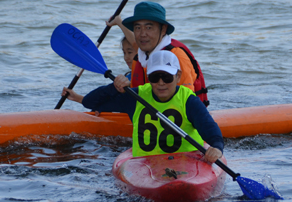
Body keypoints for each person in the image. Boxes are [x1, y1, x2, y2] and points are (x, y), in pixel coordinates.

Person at [62, 50, 222, 163]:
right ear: (148, 78)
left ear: (178, 76)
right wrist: (113, 87)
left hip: (185, 161)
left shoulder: (188, 100)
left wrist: (216, 148)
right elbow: (90, 102)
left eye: (166, 77)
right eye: (155, 77)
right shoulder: (135, 96)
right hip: (144, 164)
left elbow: (210, 129)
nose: (160, 83)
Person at [109, 1, 210, 107]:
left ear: (163, 30)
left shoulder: (177, 57)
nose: (143, 34)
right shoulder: (140, 56)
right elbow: (134, 42)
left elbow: (186, 103)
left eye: (149, 28)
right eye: (138, 28)